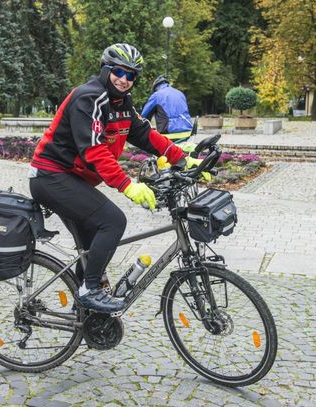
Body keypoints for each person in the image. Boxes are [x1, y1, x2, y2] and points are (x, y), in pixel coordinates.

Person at [29, 43, 204, 314]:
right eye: (118, 72)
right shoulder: (89, 97)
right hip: (51, 175)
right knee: (113, 221)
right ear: (105, 69)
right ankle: (89, 290)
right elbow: (94, 150)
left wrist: (181, 158)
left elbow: (144, 134)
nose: (124, 80)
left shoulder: (122, 103)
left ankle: (84, 315)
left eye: (130, 75)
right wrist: (127, 185)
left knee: (91, 248)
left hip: (73, 179)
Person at [141, 75, 193, 142]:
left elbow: (144, 117)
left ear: (155, 87)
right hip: (187, 132)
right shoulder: (180, 93)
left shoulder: (156, 95)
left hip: (170, 133)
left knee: (151, 144)